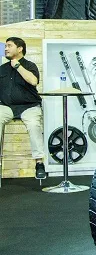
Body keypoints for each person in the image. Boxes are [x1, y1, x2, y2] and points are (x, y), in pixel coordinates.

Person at [0, 37, 46, 179]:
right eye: (6, 46)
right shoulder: (2, 68)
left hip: (29, 106)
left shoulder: (29, 65)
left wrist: (18, 66)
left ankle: (39, 163)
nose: (6, 49)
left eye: (9, 46)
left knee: (33, 125)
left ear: (20, 49)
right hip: (7, 106)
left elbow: (33, 81)